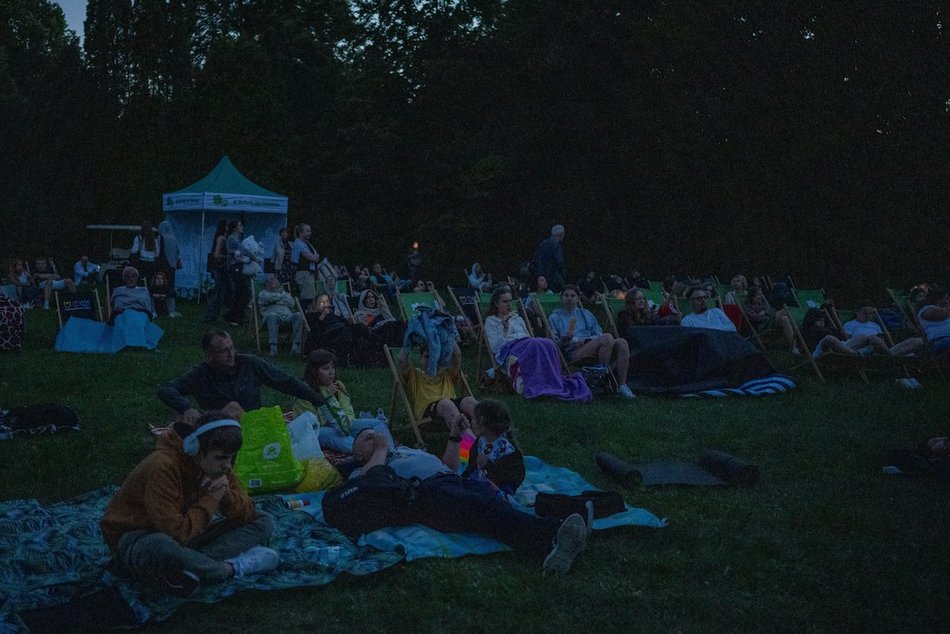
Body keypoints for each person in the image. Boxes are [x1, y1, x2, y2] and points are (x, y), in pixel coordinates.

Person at [327, 427, 592, 575]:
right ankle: (554, 535)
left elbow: (450, 466)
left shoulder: (405, 451)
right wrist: (382, 448)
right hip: (428, 494)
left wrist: (454, 435)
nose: (374, 437)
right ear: (357, 454)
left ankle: (559, 536)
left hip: (452, 479)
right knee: (484, 510)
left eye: (375, 433)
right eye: (367, 438)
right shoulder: (360, 471)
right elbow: (372, 482)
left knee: (497, 506)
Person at [100, 410, 279, 597]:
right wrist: (211, 499)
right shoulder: (162, 467)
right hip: (137, 539)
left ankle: (188, 568)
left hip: (186, 536)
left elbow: (247, 512)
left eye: (231, 457)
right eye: (221, 458)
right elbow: (176, 533)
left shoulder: (217, 465)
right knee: (161, 545)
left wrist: (225, 494)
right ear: (196, 450)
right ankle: (229, 568)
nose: (227, 465)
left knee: (262, 520)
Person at [157, 330, 328, 427]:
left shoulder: (249, 363)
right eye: (224, 351)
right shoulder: (200, 374)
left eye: (232, 348)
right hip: (220, 429)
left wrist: (318, 400)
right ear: (209, 355)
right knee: (180, 419)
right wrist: (186, 408)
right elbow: (166, 390)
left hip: (253, 426)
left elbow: (286, 382)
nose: (231, 354)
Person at [483, 287, 591, 402]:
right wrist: (505, 329)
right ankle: (539, 385)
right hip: (509, 348)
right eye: (505, 301)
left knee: (549, 343)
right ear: (496, 304)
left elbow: (527, 336)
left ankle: (553, 381)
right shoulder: (491, 321)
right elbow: (495, 348)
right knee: (535, 343)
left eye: (510, 301)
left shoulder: (517, 318)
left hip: (526, 344)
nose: (509, 304)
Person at [294, 349, 394, 453]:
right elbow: (315, 423)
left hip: (342, 424)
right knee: (341, 437)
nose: (331, 372)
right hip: (317, 430)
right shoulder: (305, 391)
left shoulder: (338, 385)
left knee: (377, 424)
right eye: (326, 368)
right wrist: (328, 397)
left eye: (333, 367)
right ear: (314, 371)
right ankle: (368, 453)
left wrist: (347, 426)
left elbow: (348, 411)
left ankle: (391, 452)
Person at [548, 285, 634, 399]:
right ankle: (602, 379)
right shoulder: (555, 317)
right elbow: (552, 345)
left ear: (578, 299)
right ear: (561, 298)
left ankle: (622, 385)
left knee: (622, 342)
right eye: (566, 296)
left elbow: (598, 333)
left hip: (592, 345)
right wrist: (563, 340)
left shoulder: (586, 314)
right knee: (607, 337)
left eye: (572, 296)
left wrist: (585, 340)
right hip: (573, 351)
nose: (569, 298)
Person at [447, 399, 525, 496]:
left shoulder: (507, 450)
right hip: (479, 481)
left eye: (474, 419)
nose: (471, 422)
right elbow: (472, 466)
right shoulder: (481, 441)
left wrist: (488, 465)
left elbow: (513, 478)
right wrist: (463, 479)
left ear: (483, 423)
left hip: (498, 489)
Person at [397, 341, 478, 430]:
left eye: (435, 356)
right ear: (421, 359)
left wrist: (449, 337)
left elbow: (457, 356)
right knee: (446, 404)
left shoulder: (447, 373)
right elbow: (402, 361)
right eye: (427, 357)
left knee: (469, 401)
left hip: (452, 405)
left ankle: (482, 433)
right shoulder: (415, 375)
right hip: (428, 410)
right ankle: (466, 438)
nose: (431, 360)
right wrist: (409, 339)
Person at [843, 301, 923, 355]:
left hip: (881, 350)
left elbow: (882, 341)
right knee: (872, 338)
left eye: (870, 314)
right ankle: (891, 356)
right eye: (865, 313)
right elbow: (849, 342)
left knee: (918, 341)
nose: (867, 316)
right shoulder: (849, 325)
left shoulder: (875, 325)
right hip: (861, 350)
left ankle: (890, 355)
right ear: (856, 312)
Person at [257, 275, 303, 355]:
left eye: (274, 279)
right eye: (270, 280)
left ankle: (295, 345)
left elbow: (292, 302)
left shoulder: (284, 293)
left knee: (299, 315)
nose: (272, 281)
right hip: (271, 320)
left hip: (288, 318)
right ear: (266, 283)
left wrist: (276, 300)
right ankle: (273, 347)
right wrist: (281, 298)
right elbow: (268, 299)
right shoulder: (262, 293)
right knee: (272, 316)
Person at [204, 220, 231, 323]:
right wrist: (227, 256)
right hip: (218, 269)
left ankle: (214, 315)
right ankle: (210, 315)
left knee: (220, 293)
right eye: (227, 225)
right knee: (217, 293)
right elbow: (216, 255)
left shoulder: (224, 238)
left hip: (221, 269)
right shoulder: (221, 238)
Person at [225, 220, 251, 327]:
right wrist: (253, 257)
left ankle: (236, 316)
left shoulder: (235, 239)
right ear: (234, 228)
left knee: (242, 292)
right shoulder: (232, 238)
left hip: (238, 267)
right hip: (235, 268)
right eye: (240, 225)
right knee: (242, 292)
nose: (242, 227)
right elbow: (243, 250)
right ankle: (235, 317)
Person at [158, 221, 182, 317]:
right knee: (171, 286)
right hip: (172, 267)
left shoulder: (160, 238)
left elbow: (157, 251)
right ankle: (171, 308)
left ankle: (161, 307)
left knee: (161, 286)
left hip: (163, 266)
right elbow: (178, 251)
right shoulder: (174, 238)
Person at [291, 223, 320, 303]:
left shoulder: (306, 243)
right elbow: (312, 258)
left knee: (311, 296)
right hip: (304, 274)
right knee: (307, 297)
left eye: (310, 231)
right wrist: (315, 257)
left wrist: (315, 257)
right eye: (307, 231)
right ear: (301, 232)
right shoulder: (299, 244)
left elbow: (316, 257)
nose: (310, 233)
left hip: (309, 273)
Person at [532, 224, 566, 292]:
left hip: (541, 277)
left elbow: (535, 259)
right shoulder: (556, 245)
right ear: (561, 234)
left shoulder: (542, 244)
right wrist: (563, 274)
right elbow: (559, 261)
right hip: (553, 277)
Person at [917, 287, 950, 353]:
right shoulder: (926, 309)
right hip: (939, 340)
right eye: (947, 298)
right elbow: (941, 314)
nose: (949, 299)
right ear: (938, 299)